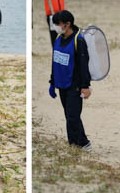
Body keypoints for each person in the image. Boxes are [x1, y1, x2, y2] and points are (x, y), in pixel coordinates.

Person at [48, 10, 92, 151]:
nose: (55, 27)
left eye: (57, 24)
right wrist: (52, 82)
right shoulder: (58, 39)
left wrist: (85, 86)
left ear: (67, 24)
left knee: (73, 115)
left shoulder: (78, 40)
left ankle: (84, 143)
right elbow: (55, 61)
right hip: (61, 83)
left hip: (75, 84)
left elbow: (84, 65)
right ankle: (73, 143)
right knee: (68, 115)